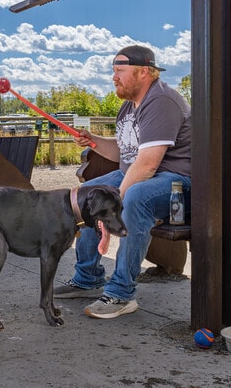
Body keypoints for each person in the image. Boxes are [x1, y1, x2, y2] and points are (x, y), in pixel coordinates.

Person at [54, 45, 192, 319]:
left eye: (120, 71)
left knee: (136, 196)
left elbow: (148, 164)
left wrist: (114, 201)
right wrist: (92, 140)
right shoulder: (128, 108)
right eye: (113, 71)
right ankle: (88, 277)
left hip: (178, 184)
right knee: (85, 193)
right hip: (146, 175)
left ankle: (121, 294)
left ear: (144, 72)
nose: (114, 77)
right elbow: (125, 153)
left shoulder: (161, 101)